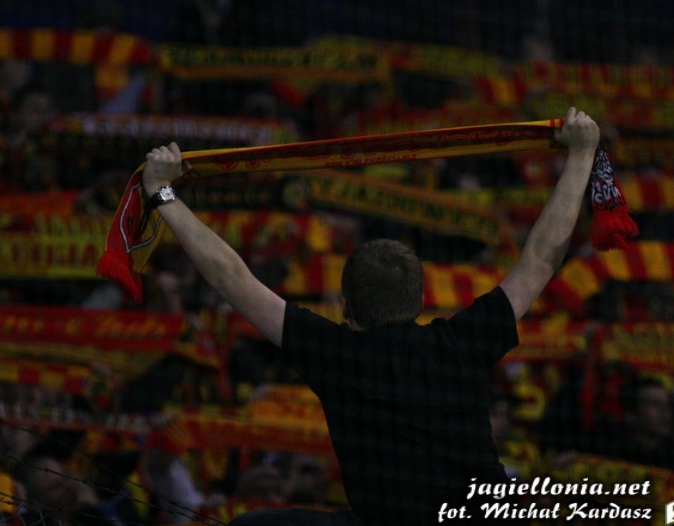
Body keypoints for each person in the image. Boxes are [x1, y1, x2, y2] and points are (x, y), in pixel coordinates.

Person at [140, 106, 601, 525]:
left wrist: (162, 191)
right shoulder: (463, 342)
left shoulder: (334, 353)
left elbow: (230, 277)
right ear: (420, 299)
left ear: (346, 303)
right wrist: (583, 154)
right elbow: (542, 258)